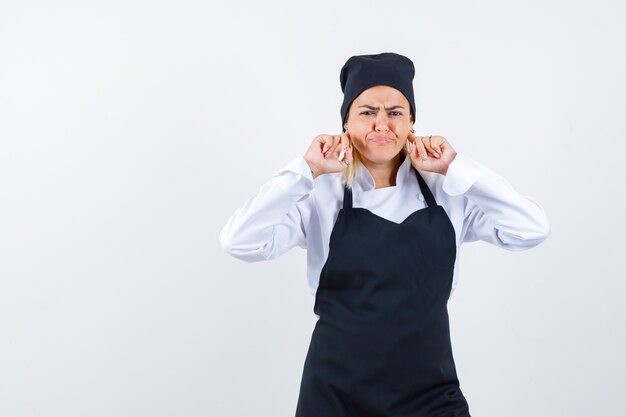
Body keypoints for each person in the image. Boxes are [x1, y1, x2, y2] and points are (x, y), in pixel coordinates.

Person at [219, 52, 550, 417]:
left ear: (411, 122)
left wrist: (458, 167)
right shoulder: (318, 194)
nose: (382, 124)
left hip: (431, 397)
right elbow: (239, 241)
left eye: (395, 112)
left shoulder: (447, 190)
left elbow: (531, 230)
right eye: (367, 112)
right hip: (335, 397)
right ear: (345, 122)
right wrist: (307, 169)